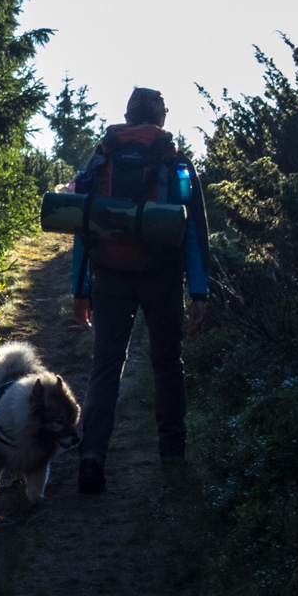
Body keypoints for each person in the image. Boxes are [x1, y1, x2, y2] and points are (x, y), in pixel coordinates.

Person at [68, 86, 212, 494]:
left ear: (128, 117)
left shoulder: (101, 160)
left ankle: (92, 456)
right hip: (161, 277)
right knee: (168, 365)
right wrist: (199, 292)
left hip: (109, 274)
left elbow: (84, 230)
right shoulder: (175, 162)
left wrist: (80, 291)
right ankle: (172, 457)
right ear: (161, 119)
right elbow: (193, 231)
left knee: (105, 367)